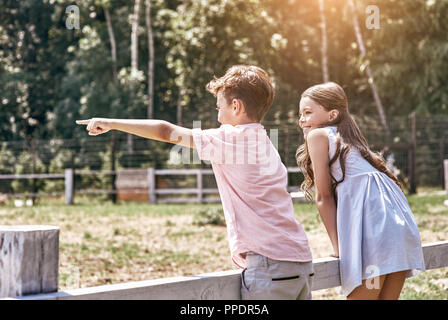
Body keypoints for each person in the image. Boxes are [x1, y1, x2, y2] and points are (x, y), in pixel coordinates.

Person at [76, 65, 314, 300]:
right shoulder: (264, 142)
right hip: (300, 260)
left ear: (236, 106)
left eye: (219, 107)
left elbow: (164, 131)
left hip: (270, 265)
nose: (217, 115)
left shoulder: (231, 139)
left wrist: (111, 123)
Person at [296, 82, 426, 300]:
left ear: (332, 114)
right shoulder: (351, 142)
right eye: (300, 114)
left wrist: (339, 249)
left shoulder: (318, 136)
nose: (301, 120)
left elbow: (323, 197)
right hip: (400, 234)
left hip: (376, 240)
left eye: (307, 113)